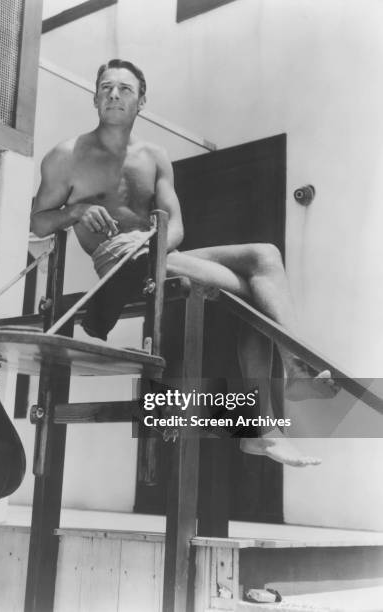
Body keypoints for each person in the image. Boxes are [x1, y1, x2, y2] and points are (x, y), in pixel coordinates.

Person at [31, 58, 337, 467]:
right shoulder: (65, 157)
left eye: (125, 88)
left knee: (265, 257)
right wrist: (74, 213)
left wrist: (157, 244)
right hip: (117, 263)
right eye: (106, 87)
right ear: (94, 98)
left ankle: (281, 396)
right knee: (255, 296)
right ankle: (270, 420)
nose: (115, 94)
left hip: (160, 255)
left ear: (142, 101)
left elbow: (175, 225)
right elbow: (38, 220)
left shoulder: (155, 157)